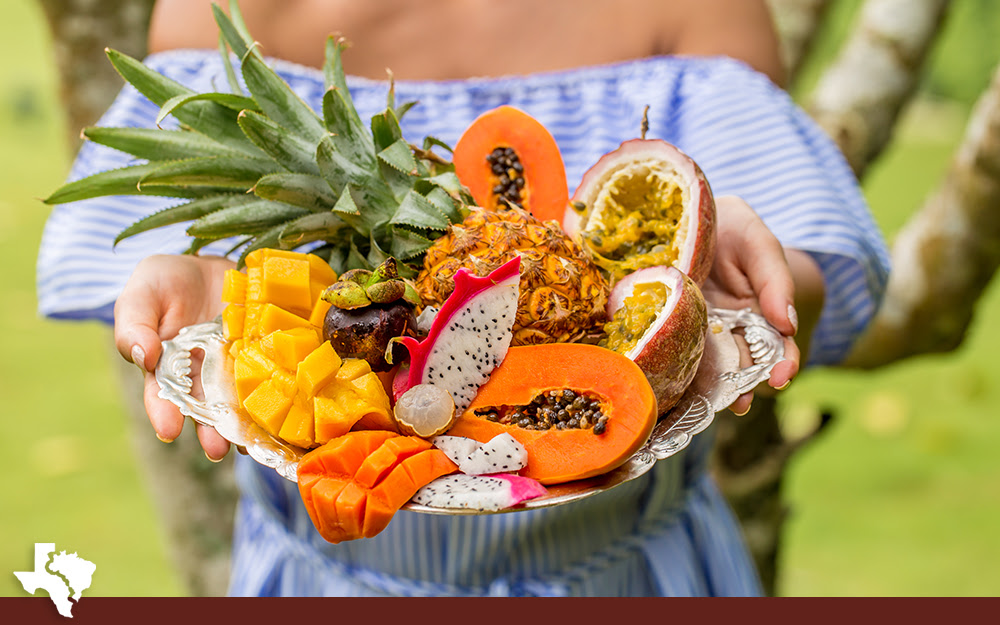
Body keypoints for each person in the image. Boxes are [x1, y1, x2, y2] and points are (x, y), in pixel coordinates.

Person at [37, 0, 890, 596]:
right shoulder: (218, 11)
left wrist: (730, 251)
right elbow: (229, 267)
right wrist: (216, 283)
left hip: (634, 575)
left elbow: (786, 306)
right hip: (327, 582)